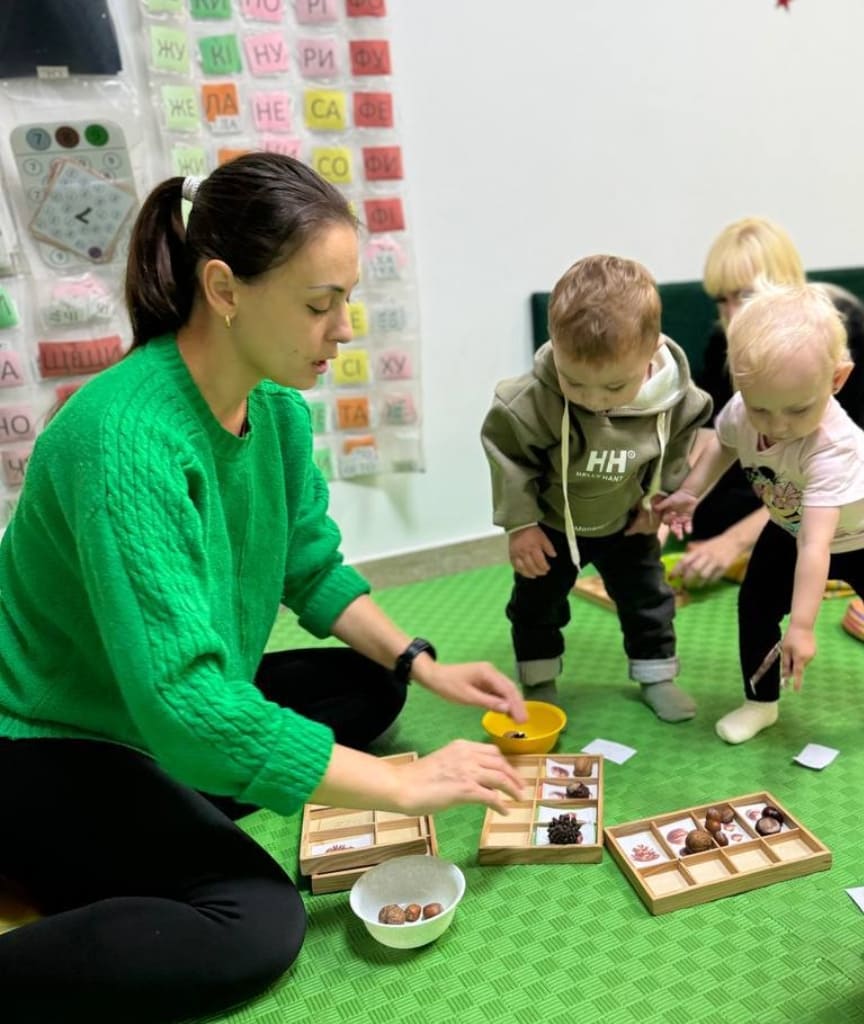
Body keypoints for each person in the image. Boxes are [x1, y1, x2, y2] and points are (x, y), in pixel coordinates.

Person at [0, 153, 527, 1024]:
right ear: (225, 288)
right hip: (50, 731)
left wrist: (424, 662)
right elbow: (182, 700)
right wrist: (403, 786)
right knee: (256, 924)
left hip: (154, 707)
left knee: (370, 686)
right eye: (321, 304)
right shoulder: (123, 439)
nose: (343, 328)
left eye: (346, 301)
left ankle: (181, 794)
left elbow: (308, 564)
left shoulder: (276, 407)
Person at [481, 255, 712, 723]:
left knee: (648, 599)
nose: (593, 399)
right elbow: (511, 460)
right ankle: (539, 678)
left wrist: (657, 501)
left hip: (628, 521)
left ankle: (656, 675)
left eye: (613, 386)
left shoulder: (680, 400)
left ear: (650, 357)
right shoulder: (530, 400)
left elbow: (676, 451)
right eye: (575, 382)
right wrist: (520, 526)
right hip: (550, 524)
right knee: (536, 604)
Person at [657, 283, 864, 744]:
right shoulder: (744, 410)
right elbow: (723, 447)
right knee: (754, 606)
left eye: (797, 409)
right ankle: (760, 702)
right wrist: (691, 492)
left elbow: (817, 544)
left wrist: (805, 626)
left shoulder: (833, 447)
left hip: (851, 534)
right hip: (789, 525)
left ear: (836, 380)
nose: (777, 425)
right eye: (760, 408)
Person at [673, 216, 864, 586]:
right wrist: (678, 496)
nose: (731, 313)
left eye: (744, 296)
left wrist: (733, 542)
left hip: (827, 500)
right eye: (721, 300)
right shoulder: (725, 339)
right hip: (762, 480)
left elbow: (835, 477)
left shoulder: (842, 337)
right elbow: (712, 433)